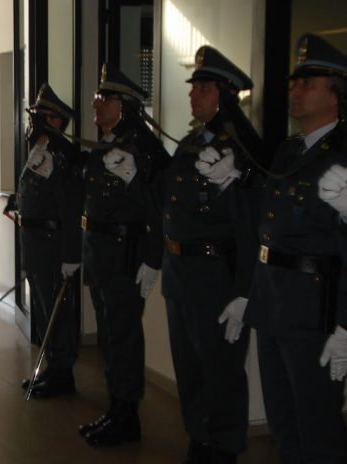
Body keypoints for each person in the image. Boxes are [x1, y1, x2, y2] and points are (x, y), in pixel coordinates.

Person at [244, 34, 347, 463]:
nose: (294, 90)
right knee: (283, 420)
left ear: (335, 95)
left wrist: (346, 325)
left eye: (307, 83)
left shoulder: (343, 154)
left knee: (318, 426)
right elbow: (269, 228)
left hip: (315, 309)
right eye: (294, 82)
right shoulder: (288, 150)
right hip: (273, 300)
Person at [163, 46, 261, 463]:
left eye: (203, 88)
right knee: (189, 367)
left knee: (220, 367)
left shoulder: (241, 148)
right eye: (194, 88)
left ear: (227, 95)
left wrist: (243, 291)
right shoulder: (191, 142)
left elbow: (251, 226)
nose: (193, 95)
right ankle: (199, 436)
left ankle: (224, 445)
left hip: (215, 274)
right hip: (180, 273)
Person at [78, 65, 169, 448]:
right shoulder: (107, 143)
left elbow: (160, 207)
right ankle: (115, 408)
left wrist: (154, 259)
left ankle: (127, 416)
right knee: (108, 339)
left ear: (124, 105)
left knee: (124, 338)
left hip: (125, 256)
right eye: (97, 96)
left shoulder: (143, 147)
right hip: (101, 254)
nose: (95, 103)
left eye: (104, 97)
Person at [14, 83, 82, 398]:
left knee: (57, 311)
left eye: (40, 115)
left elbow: (70, 207)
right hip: (34, 242)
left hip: (53, 244)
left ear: (55, 120)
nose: (33, 120)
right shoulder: (39, 149)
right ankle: (52, 367)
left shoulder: (63, 154)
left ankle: (62, 373)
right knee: (43, 310)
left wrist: (71, 254)